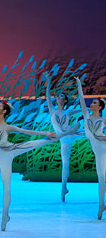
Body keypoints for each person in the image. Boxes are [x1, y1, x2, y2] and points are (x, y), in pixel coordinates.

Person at [0, 73, 60, 231]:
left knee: (34, 143)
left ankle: (57, 136)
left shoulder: (8, 127)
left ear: (4, 112)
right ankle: (6, 215)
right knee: (6, 187)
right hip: (4, 159)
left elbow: (27, 131)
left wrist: (45, 133)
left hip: (12, 149)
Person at [44, 72, 82, 201]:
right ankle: (63, 188)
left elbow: (84, 109)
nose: (58, 98)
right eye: (58, 96)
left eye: (61, 96)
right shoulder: (52, 110)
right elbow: (47, 96)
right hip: (65, 138)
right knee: (65, 164)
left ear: (65, 100)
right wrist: (49, 81)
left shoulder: (68, 111)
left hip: (70, 133)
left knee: (89, 132)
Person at [74, 76, 106, 219]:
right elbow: (81, 99)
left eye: (94, 102)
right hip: (98, 151)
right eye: (92, 102)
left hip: (103, 147)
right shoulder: (86, 115)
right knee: (101, 178)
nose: (91, 104)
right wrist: (79, 84)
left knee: (102, 178)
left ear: (99, 107)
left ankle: (101, 206)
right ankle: (101, 205)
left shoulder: (103, 119)